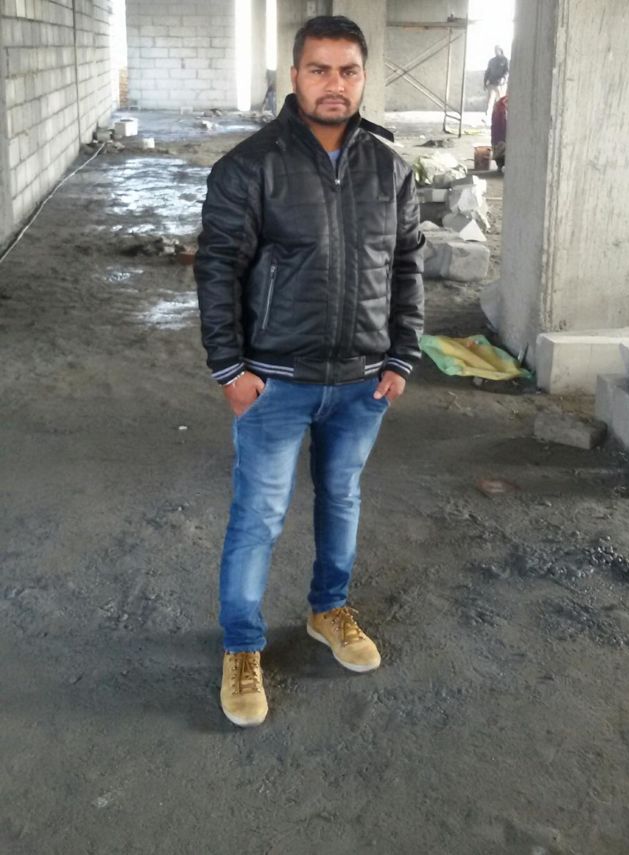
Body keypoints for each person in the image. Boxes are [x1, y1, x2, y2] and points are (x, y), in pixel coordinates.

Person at [194, 15, 425, 728]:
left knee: (341, 499)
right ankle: (242, 646)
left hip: (361, 382)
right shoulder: (249, 166)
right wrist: (230, 369)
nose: (334, 84)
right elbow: (217, 269)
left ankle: (328, 610)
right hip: (275, 381)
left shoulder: (391, 170)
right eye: (319, 69)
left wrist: (402, 356)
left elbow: (407, 266)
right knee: (259, 515)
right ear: (294, 76)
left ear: (363, 76)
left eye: (348, 70)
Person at [483, 45, 509, 122]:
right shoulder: (492, 61)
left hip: (501, 85)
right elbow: (487, 71)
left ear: (500, 50)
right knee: (490, 101)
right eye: (495, 50)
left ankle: (501, 117)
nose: (496, 52)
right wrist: (485, 82)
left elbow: (507, 71)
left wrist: (503, 79)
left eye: (497, 50)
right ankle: (487, 116)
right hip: (492, 83)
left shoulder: (505, 60)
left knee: (500, 101)